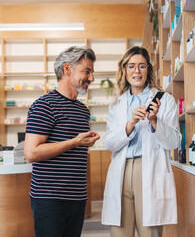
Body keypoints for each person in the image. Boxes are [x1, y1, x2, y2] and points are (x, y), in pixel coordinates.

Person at [101, 46, 181, 237]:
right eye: (131, 66)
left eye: (142, 66)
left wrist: (154, 121)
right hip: (122, 170)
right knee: (119, 232)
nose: (136, 71)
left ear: (148, 70)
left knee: (149, 233)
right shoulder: (117, 104)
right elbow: (109, 143)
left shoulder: (165, 100)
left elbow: (174, 142)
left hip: (149, 169)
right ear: (125, 70)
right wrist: (129, 125)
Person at [24, 46, 100, 237]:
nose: (91, 78)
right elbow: (31, 153)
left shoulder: (83, 111)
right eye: (86, 71)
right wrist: (74, 142)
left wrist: (84, 142)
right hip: (49, 200)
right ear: (67, 69)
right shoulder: (44, 105)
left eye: (92, 72)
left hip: (77, 198)